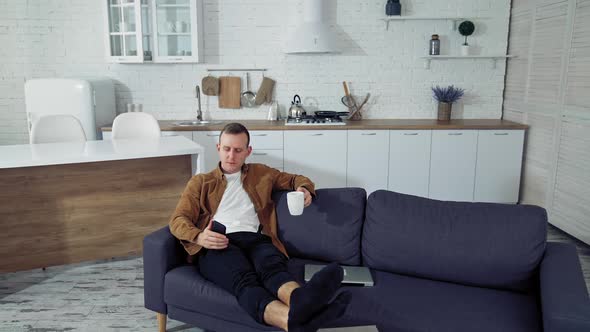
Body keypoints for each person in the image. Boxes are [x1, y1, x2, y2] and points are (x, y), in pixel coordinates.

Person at [169, 123, 351, 332]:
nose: (231, 156)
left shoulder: (262, 173)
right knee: (245, 281)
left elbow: (294, 179)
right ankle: (301, 316)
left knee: (273, 270)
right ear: (218, 147)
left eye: (238, 150)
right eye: (227, 149)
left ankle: (302, 303)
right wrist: (200, 237)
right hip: (218, 242)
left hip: (258, 239)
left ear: (248, 151)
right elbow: (178, 219)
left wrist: (304, 188)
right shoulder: (201, 182)